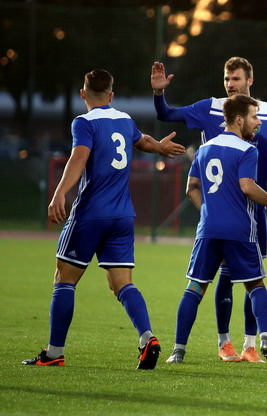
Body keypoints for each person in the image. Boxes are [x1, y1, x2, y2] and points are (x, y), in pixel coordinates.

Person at [22, 69, 185, 369]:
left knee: (64, 280)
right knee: (122, 283)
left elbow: (78, 157)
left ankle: (54, 353)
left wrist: (59, 193)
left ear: (82, 94)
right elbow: (142, 141)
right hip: (122, 216)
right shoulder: (124, 120)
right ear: (112, 95)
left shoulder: (83, 122)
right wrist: (160, 147)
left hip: (90, 214)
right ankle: (147, 337)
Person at [151, 58, 267, 364]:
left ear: (249, 81)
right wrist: (158, 94)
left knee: (208, 283)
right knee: (249, 280)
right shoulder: (213, 111)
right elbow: (166, 114)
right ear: (240, 119)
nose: (230, 84)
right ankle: (229, 341)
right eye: (227, 78)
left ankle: (240, 345)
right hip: (240, 213)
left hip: (231, 217)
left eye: (236, 79)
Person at [181, 94, 267, 367]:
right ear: (239, 120)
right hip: (239, 230)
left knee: (195, 287)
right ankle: (265, 339)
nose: (258, 122)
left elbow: (191, 188)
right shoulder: (247, 150)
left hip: (208, 230)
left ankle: (178, 350)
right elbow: (247, 187)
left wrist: (208, 209)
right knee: (256, 285)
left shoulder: (204, 149)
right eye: (254, 117)